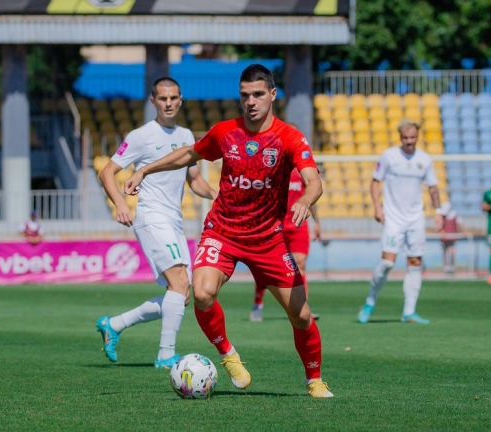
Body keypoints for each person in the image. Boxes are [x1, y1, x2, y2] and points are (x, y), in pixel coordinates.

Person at [124, 64, 333, 398]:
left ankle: (315, 380)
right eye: (245, 95)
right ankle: (228, 355)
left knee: (301, 314)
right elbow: (188, 154)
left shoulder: (289, 137)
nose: (251, 102)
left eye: (258, 94)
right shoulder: (225, 132)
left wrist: (306, 201)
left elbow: (313, 180)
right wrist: (145, 170)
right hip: (223, 232)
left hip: (267, 239)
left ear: (272, 95)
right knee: (202, 293)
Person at [95, 77, 217, 369]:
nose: (169, 103)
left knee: (181, 294)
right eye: (163, 99)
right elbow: (106, 172)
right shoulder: (141, 136)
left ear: (181, 100)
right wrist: (120, 204)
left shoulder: (186, 135)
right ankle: (165, 355)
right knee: (179, 283)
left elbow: (195, 180)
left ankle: (113, 324)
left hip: (174, 221)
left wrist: (218, 195)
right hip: (151, 217)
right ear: (153, 102)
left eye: (173, 98)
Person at [357, 119, 443, 325]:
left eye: (412, 138)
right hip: (393, 218)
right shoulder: (389, 156)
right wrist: (377, 207)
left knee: (415, 262)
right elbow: (375, 182)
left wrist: (438, 212)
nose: (409, 141)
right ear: (400, 137)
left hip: (416, 218)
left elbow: (433, 187)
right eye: (405, 138)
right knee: (387, 262)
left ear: (417, 137)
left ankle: (409, 312)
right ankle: (370, 301)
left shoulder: (425, 159)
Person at [249, 167, 322, 322]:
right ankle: (258, 303)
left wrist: (316, 221)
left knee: (300, 264)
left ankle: (302, 307)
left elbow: (311, 195)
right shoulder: (273, 167)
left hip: (298, 224)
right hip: (275, 224)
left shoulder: (303, 169)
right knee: (265, 268)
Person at [438, 201, 466, 274]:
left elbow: (460, 224)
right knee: (444, 252)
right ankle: (445, 267)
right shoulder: (442, 216)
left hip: (452, 238)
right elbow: (439, 226)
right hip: (444, 238)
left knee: (452, 252)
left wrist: (464, 231)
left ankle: (452, 266)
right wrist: (442, 232)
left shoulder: (455, 215)